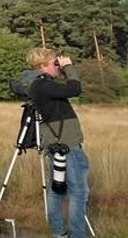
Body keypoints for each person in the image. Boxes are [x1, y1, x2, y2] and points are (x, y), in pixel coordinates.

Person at [19, 48, 90, 238]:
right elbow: (75, 88)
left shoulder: (40, 84)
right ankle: (76, 234)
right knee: (79, 191)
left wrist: (62, 68)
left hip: (57, 142)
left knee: (57, 189)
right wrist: (69, 67)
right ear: (42, 66)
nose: (57, 67)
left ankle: (58, 232)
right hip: (66, 144)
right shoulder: (42, 85)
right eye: (54, 63)